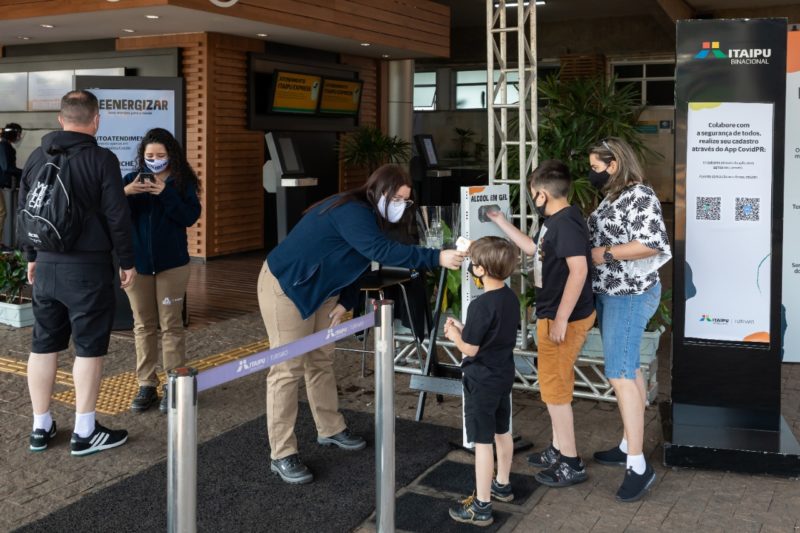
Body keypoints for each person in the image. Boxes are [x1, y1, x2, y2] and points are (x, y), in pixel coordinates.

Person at [259, 164, 465, 484]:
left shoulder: (374, 218)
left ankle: (330, 429)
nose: (401, 204)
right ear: (378, 191)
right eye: (396, 197)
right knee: (287, 369)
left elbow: (359, 261)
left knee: (321, 360)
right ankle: (282, 453)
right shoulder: (353, 211)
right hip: (288, 287)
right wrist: (436, 257)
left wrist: (346, 301)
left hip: (324, 289)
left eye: (406, 200)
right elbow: (377, 251)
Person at [20, 90, 136, 456]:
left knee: (43, 344)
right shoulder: (102, 159)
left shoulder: (38, 155)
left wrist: (31, 255)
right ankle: (85, 430)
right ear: (96, 120)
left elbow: (27, 206)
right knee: (88, 348)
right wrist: (127, 261)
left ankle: (41, 426)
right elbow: (118, 215)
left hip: (46, 262)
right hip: (87, 267)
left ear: (60, 119)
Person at [488, 159, 596, 488]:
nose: (533, 199)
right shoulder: (558, 218)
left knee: (555, 392)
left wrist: (560, 318)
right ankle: (558, 448)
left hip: (562, 319)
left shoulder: (565, 225)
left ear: (541, 194)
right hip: (555, 315)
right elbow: (535, 250)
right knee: (553, 386)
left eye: (533, 194)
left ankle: (571, 462)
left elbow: (580, 270)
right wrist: (500, 221)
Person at [586, 137, 671, 502]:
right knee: (630, 369)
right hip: (613, 292)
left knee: (620, 373)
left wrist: (601, 254)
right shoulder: (614, 195)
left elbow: (652, 243)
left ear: (614, 164)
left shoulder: (640, 195)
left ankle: (638, 465)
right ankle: (628, 444)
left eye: (595, 167)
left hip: (630, 294)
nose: (591, 173)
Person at [122, 128, 201, 414]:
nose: (154, 160)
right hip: (138, 265)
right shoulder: (131, 180)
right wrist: (126, 193)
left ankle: (173, 383)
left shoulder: (183, 182)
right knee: (143, 325)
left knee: (171, 324)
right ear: (142, 156)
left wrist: (165, 193)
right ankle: (146, 384)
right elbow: (113, 216)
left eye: (160, 155)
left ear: (172, 155)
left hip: (173, 264)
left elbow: (189, 216)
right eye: (149, 155)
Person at [443, 236, 520, 527]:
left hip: (481, 380)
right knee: (503, 431)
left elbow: (471, 348)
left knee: (483, 441)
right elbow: (491, 335)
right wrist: (465, 330)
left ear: (479, 270)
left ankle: (482, 505)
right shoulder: (510, 298)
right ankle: (503, 484)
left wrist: (454, 336)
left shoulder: (480, 305)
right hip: (503, 375)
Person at [0, 123, 23, 250]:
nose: (19, 136)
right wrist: (23, 172)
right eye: (18, 133)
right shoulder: (3, 146)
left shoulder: (5, 145)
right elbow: (6, 167)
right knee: (1, 212)